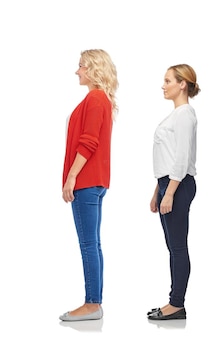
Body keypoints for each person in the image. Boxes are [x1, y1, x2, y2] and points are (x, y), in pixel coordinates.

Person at [59, 49, 118, 321]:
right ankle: (94, 302)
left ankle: (92, 304)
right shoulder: (98, 99)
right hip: (94, 182)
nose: (77, 71)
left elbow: (89, 142)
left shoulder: (95, 98)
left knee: (88, 244)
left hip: (86, 182)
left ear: (93, 68)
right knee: (92, 244)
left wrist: (71, 177)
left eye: (81, 66)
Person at [147, 64, 199, 321]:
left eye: (168, 80)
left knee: (178, 248)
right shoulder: (176, 114)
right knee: (173, 247)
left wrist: (170, 192)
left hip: (178, 185)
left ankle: (176, 304)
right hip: (169, 184)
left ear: (182, 84)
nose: (163, 85)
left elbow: (181, 158)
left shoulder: (185, 114)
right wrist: (159, 190)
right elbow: (166, 158)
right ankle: (174, 302)